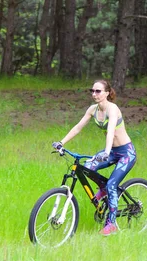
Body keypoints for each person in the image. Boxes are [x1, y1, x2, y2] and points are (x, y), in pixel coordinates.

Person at [52, 79, 137, 236]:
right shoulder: (92, 109)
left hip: (126, 152)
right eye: (92, 91)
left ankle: (111, 224)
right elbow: (78, 127)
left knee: (112, 184)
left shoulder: (113, 109)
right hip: (111, 151)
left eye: (98, 91)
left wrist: (106, 151)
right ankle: (103, 188)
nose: (94, 94)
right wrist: (61, 142)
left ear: (106, 93)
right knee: (87, 167)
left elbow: (111, 130)